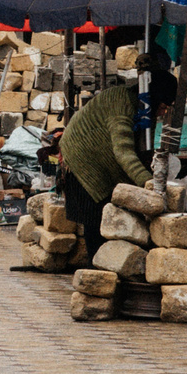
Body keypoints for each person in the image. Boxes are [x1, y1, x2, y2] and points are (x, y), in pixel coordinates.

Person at [54, 72, 154, 257]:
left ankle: (100, 263)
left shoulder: (130, 101)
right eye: (163, 106)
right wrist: (148, 183)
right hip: (81, 160)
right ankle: (96, 266)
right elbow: (123, 152)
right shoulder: (122, 104)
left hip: (91, 156)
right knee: (96, 219)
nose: (164, 112)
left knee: (100, 220)